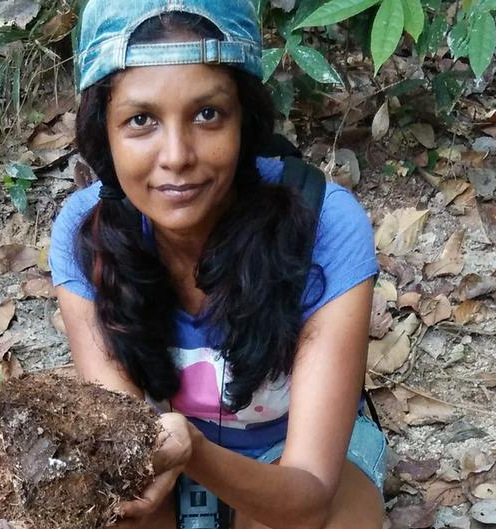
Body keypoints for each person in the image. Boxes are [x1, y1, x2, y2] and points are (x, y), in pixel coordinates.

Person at [43, 1, 388, 528]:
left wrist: (196, 452)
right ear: (104, 135)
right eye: (141, 120)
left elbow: (310, 497)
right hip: (161, 460)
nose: (177, 155)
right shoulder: (87, 234)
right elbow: (125, 448)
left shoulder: (322, 223)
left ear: (244, 122)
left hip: (292, 464)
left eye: (207, 114)